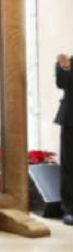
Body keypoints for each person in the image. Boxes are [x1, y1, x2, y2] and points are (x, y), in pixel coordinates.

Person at [55, 53, 73, 226]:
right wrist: (66, 67)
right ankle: (69, 210)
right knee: (69, 166)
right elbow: (62, 83)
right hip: (70, 120)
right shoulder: (65, 62)